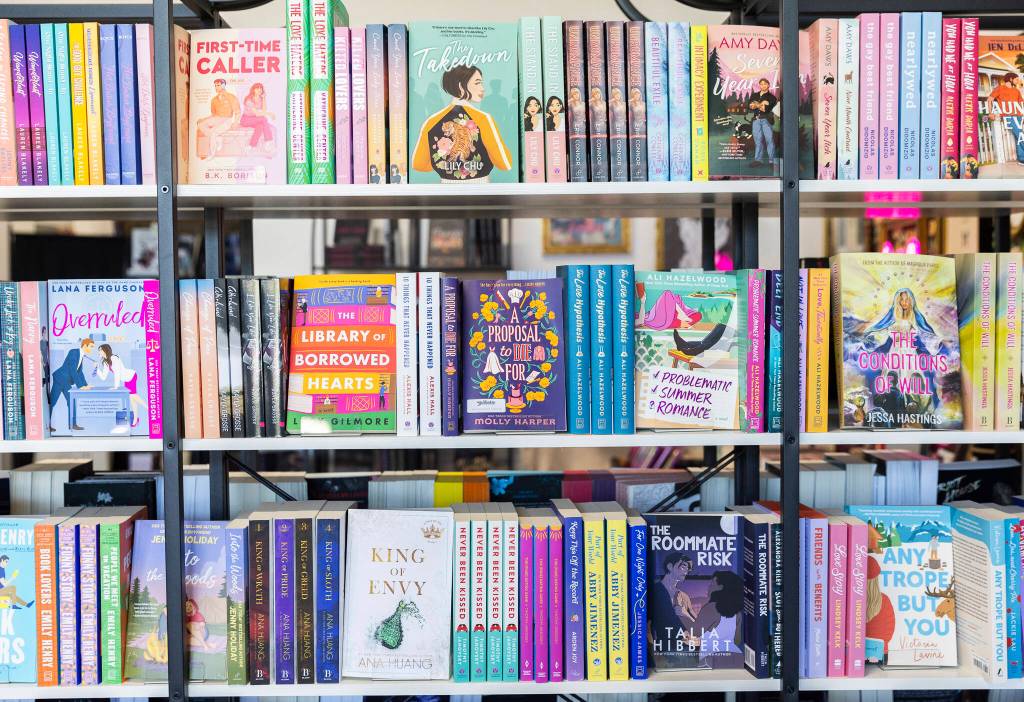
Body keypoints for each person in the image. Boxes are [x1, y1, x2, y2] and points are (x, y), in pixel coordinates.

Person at [412, 65, 513, 183]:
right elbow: (505, 163)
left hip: (444, 190)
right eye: (477, 83)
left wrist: (446, 167)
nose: (482, 88)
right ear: (461, 86)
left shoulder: (431, 121)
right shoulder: (483, 119)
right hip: (481, 191)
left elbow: (418, 164)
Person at [94, 343, 145, 429]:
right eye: (99, 350)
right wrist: (97, 368)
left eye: (100, 350)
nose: (99, 352)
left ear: (106, 350)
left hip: (131, 376)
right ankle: (136, 419)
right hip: (126, 380)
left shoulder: (114, 358)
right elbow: (103, 377)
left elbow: (117, 373)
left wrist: (116, 387)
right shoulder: (106, 362)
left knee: (133, 396)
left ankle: (148, 410)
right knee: (132, 400)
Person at [49, 337, 94, 432]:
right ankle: (47, 425)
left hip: (65, 381)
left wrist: (85, 385)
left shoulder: (81, 356)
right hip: (60, 378)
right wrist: (81, 386)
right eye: (91, 346)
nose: (92, 349)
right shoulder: (74, 352)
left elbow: (80, 372)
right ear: (85, 345)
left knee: (71, 402)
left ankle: (72, 425)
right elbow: (73, 370)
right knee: (52, 402)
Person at [196, 78, 241, 159]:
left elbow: (237, 112)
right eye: (215, 85)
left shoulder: (231, 97)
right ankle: (218, 139)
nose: (216, 87)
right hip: (217, 119)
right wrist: (204, 119)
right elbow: (213, 114)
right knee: (200, 124)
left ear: (223, 86)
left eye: (218, 85)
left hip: (227, 120)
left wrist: (235, 123)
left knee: (213, 133)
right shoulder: (214, 100)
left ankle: (211, 154)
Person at [986, 71, 1024, 164]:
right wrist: (991, 113)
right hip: (1009, 116)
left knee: (1018, 136)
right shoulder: (1000, 88)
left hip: (1019, 116)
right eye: (1016, 79)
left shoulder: (1016, 91)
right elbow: (990, 99)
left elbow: (1021, 104)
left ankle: (1021, 159)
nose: (1017, 81)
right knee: (1020, 135)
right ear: (1011, 79)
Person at [238, 82, 275, 153]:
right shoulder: (249, 99)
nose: (259, 90)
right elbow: (257, 113)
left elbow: (263, 110)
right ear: (253, 90)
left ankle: (251, 146)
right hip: (246, 119)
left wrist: (264, 98)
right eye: (257, 88)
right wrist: (269, 114)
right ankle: (268, 141)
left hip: (255, 120)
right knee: (264, 119)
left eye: (261, 88)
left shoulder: (260, 99)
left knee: (260, 126)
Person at [748, 78, 778, 166]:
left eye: (765, 84)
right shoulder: (754, 95)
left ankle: (771, 161)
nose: (763, 85)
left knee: (769, 140)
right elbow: (750, 106)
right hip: (756, 120)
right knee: (758, 141)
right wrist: (762, 104)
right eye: (761, 84)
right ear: (759, 85)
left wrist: (756, 104)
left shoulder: (772, 97)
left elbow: (765, 109)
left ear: (768, 85)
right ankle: (758, 160)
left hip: (766, 120)